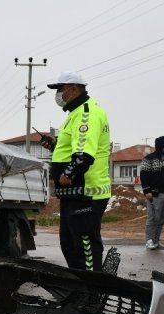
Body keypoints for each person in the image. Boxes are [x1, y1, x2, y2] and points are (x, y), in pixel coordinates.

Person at [41, 72, 111, 271]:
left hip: (85, 192)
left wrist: (69, 173)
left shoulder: (86, 113)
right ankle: (81, 289)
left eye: (60, 89)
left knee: (85, 248)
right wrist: (54, 146)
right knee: (70, 245)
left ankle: (93, 293)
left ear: (73, 89)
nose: (58, 94)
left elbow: (83, 155)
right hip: (73, 193)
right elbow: (74, 149)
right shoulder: (76, 113)